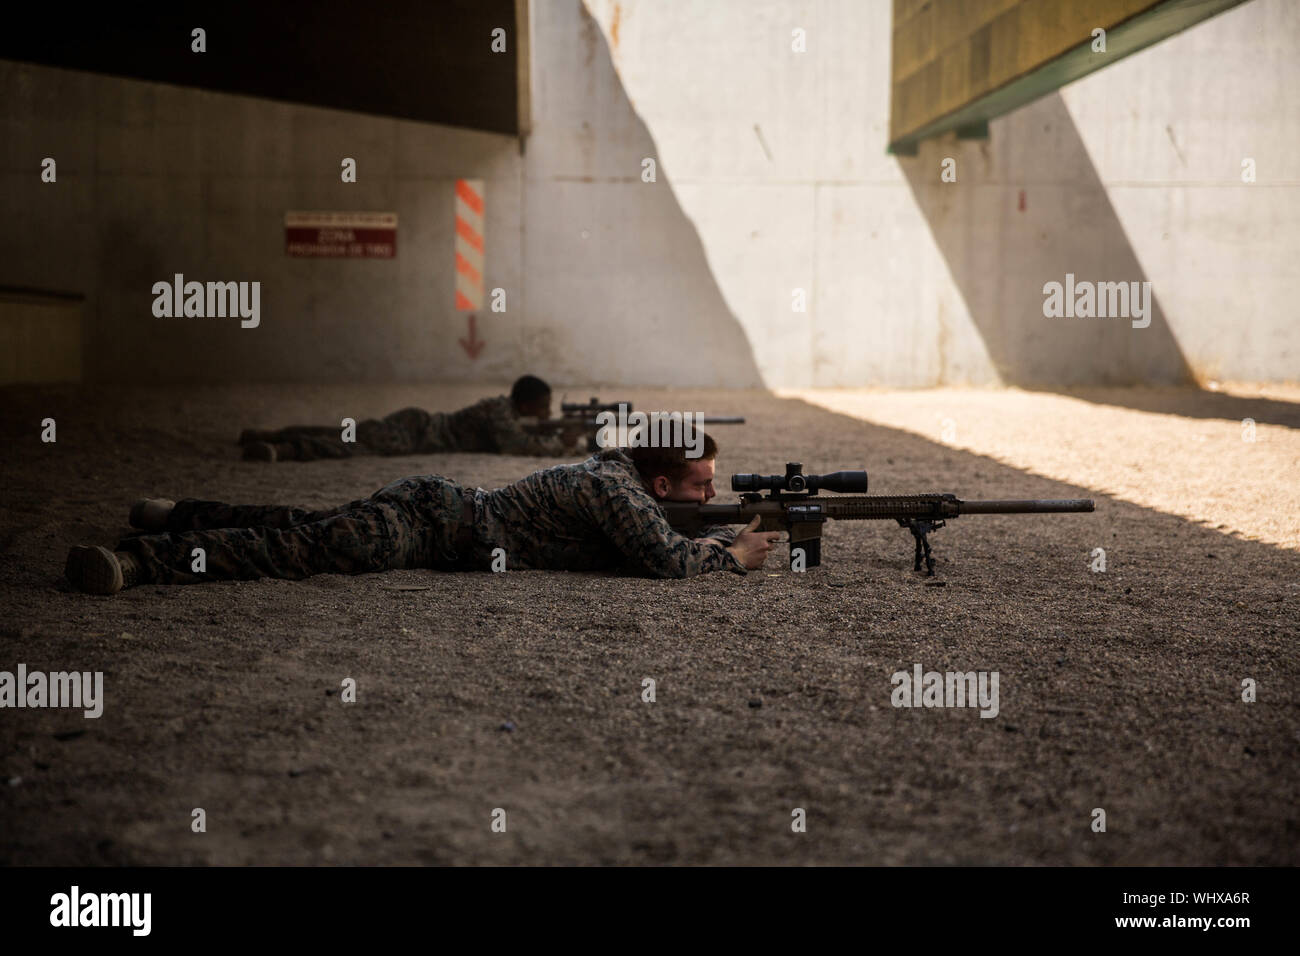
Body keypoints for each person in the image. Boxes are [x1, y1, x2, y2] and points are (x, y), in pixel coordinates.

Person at [63, 434, 782, 595]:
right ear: (660, 485)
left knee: (300, 525)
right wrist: (730, 555)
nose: (707, 494)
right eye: (701, 487)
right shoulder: (615, 493)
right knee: (299, 550)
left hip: (439, 509)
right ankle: (136, 562)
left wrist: (720, 527)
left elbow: (661, 536)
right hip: (433, 527)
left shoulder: (620, 480)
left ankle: (172, 514)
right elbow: (660, 559)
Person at [237, 374, 584, 462]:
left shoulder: (504, 409)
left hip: (416, 426)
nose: (548, 414)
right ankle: (279, 450)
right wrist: (562, 445)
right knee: (351, 445)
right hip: (416, 434)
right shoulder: (500, 412)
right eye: (543, 407)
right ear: (524, 405)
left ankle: (269, 435)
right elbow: (516, 447)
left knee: (348, 432)